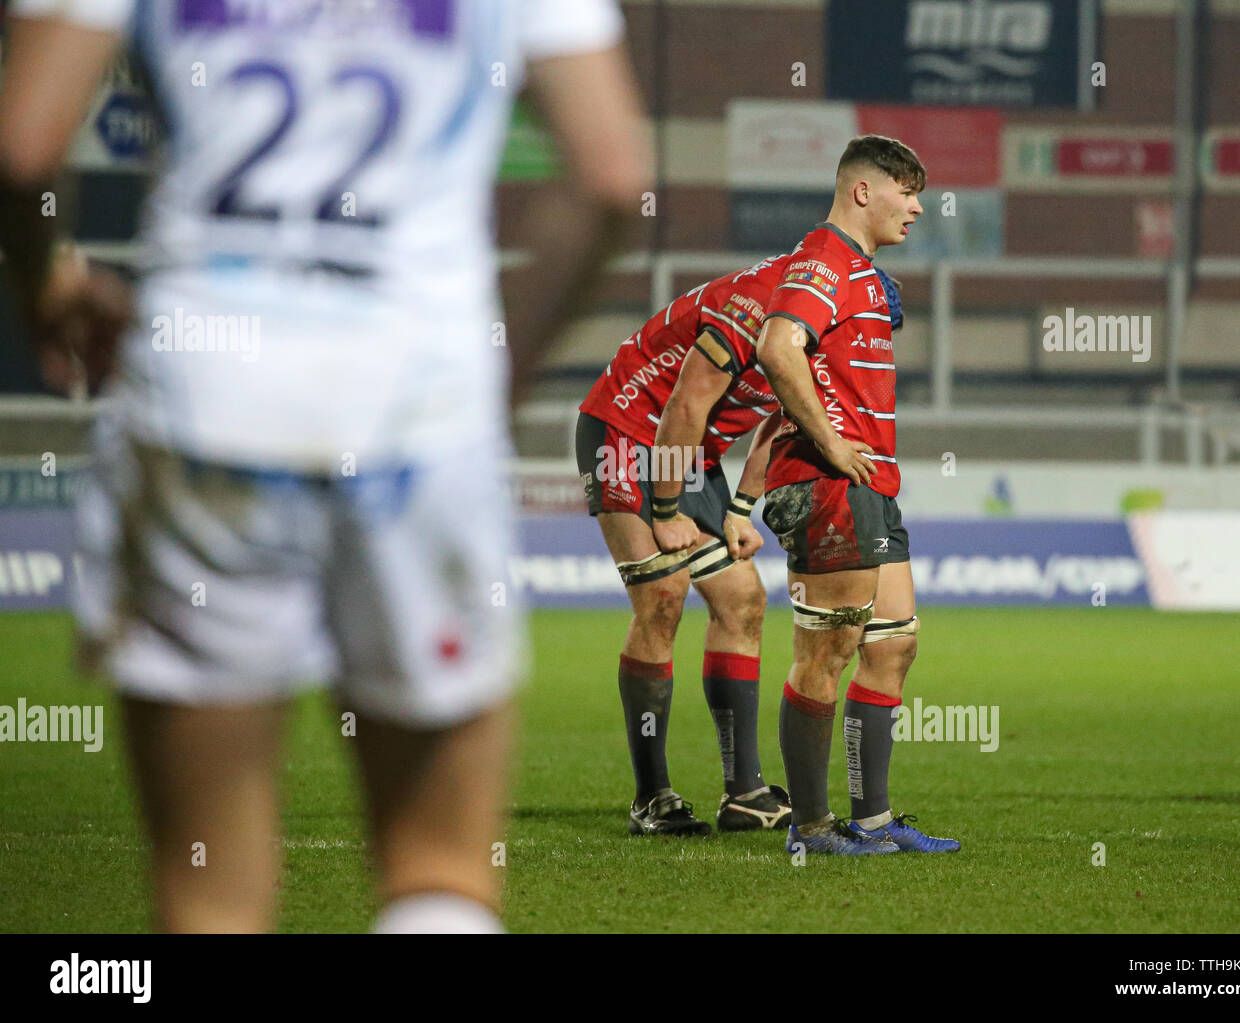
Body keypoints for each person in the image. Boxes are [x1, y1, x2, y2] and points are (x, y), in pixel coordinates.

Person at [0, 0, 650, 931]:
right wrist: (491, 375)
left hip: (203, 403)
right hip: (419, 408)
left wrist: (48, 282)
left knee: (208, 891)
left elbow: (22, 151)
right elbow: (613, 177)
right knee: (441, 868)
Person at [755, 134, 960, 855]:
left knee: (894, 645)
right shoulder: (822, 258)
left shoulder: (863, 274)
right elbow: (778, 346)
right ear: (863, 191)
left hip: (871, 486)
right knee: (827, 652)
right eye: (907, 190)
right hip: (828, 485)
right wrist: (835, 446)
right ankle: (809, 828)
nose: (918, 206)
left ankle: (872, 822)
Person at [575, 255, 795, 834]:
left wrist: (742, 510)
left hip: (689, 453)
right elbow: (685, 404)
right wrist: (669, 513)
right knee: (664, 595)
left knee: (742, 599)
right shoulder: (764, 300)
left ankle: (743, 791)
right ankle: (652, 797)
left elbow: (781, 420)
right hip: (626, 427)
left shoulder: (822, 324)